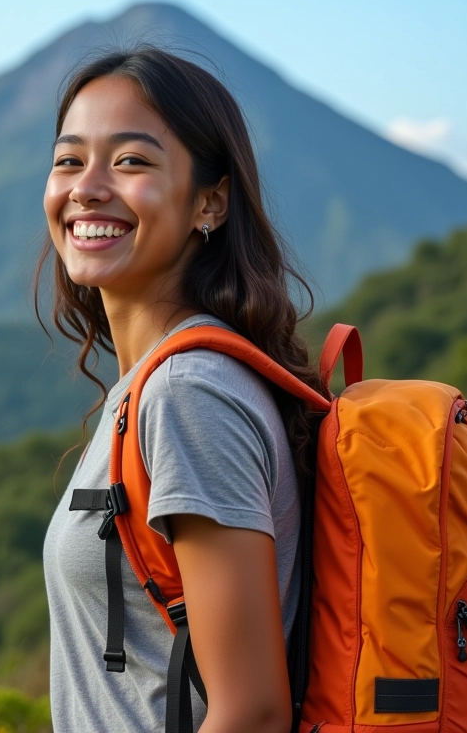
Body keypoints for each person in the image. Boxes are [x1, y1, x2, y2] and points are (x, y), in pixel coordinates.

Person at [38, 46, 325, 733]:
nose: (87, 187)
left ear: (211, 201)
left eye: (131, 161)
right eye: (69, 159)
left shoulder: (187, 395)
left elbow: (251, 712)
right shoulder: (157, 385)